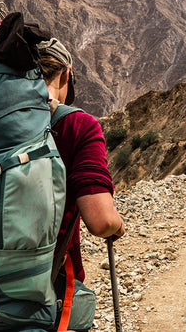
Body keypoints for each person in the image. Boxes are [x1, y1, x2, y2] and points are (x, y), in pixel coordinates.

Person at [37, 37, 125, 285]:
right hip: (44, 287)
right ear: (67, 75)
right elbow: (102, 221)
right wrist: (117, 226)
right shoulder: (77, 125)